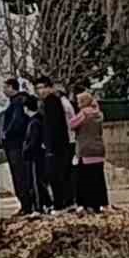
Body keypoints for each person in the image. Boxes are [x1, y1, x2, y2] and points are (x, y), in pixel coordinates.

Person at [36, 75, 73, 211]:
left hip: (56, 146)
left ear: (49, 87)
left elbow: (53, 126)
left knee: (56, 176)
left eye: (41, 88)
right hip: (59, 144)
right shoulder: (53, 101)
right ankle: (65, 202)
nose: (39, 91)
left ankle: (60, 204)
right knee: (59, 175)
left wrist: (49, 146)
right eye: (37, 89)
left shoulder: (51, 101)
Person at [69, 90, 109, 212]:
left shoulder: (84, 114)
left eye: (78, 101)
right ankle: (100, 203)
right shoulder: (99, 114)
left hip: (85, 149)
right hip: (98, 148)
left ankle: (88, 204)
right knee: (98, 178)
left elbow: (72, 124)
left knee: (85, 178)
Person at [1, 77, 31, 214]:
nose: (3, 91)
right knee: (20, 175)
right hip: (16, 144)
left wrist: (6, 133)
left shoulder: (17, 102)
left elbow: (17, 122)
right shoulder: (15, 102)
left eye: (5, 87)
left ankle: (26, 205)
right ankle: (25, 204)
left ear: (11, 87)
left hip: (16, 145)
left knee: (20, 175)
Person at [21, 93, 52, 214]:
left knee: (36, 182)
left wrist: (26, 150)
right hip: (41, 154)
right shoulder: (40, 119)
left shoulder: (33, 123)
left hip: (35, 156)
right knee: (40, 181)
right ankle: (47, 204)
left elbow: (33, 141)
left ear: (26, 108)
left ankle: (39, 207)